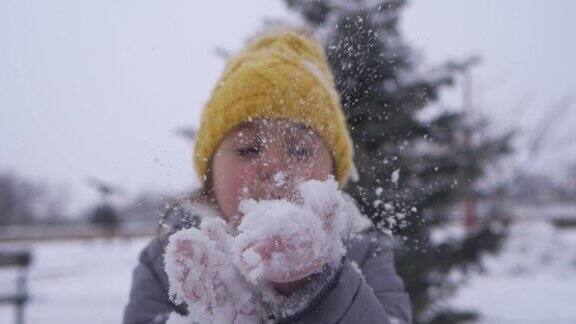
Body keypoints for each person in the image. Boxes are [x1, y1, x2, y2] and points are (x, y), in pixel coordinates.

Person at [123, 29, 411, 324]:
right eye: (248, 149)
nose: (275, 167)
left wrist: (314, 288)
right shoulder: (170, 259)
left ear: (333, 178)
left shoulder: (361, 250)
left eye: (299, 150)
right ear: (211, 175)